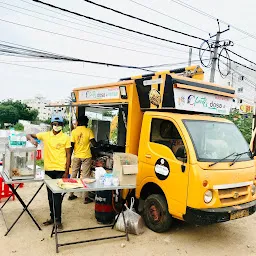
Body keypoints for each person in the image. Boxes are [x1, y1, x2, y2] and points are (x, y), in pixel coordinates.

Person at [26, 115, 71, 230]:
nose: (57, 126)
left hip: (60, 170)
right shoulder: (45, 135)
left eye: (59, 124)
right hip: (48, 170)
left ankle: (58, 220)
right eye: (55, 124)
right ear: (51, 125)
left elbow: (68, 154)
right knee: (50, 196)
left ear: (62, 126)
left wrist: (67, 171)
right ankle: (52, 217)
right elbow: (28, 134)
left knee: (56, 196)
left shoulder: (66, 137)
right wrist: (32, 140)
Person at [68, 115, 97, 204]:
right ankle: (85, 198)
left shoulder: (74, 132)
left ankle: (71, 194)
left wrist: (69, 157)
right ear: (86, 122)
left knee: (73, 174)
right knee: (85, 177)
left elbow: (71, 145)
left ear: (78, 122)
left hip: (76, 156)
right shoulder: (88, 131)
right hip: (86, 156)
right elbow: (94, 143)